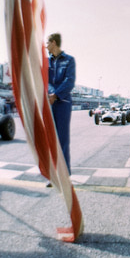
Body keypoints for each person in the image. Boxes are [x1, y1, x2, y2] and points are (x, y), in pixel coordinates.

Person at [46, 33, 76, 183]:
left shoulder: (69, 60)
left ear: (53, 42)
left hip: (63, 103)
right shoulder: (46, 62)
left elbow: (69, 81)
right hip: (50, 102)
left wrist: (56, 95)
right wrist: (51, 94)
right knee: (50, 138)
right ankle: (53, 174)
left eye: (47, 43)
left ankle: (64, 174)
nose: (46, 46)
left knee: (62, 139)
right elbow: (46, 80)